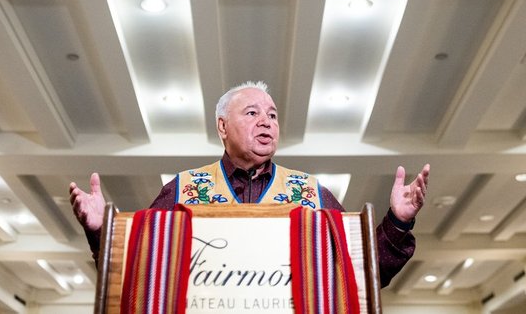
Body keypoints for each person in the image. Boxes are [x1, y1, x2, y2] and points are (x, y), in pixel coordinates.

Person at [70, 80, 430, 287]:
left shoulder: (312, 194)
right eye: (252, 113)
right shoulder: (182, 191)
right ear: (222, 127)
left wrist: (397, 222)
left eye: (272, 115)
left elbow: (362, 274)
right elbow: (138, 270)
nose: (267, 122)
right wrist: (102, 230)